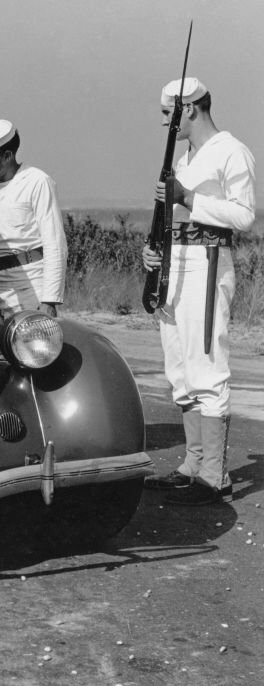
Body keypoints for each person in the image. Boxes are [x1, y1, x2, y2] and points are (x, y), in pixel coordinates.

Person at [141, 78, 255, 506]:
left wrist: (188, 196)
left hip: (207, 263)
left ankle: (213, 474)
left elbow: (244, 215)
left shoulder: (231, 150)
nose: (164, 121)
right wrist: (152, 252)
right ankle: (193, 463)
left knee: (206, 364)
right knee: (180, 368)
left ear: (189, 109)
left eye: (168, 112)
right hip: (175, 263)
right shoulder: (187, 156)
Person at [0, 119, 67, 344]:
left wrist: (49, 301)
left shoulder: (37, 182)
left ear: (7, 156)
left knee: (30, 351)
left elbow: (55, 243)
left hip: (29, 285)